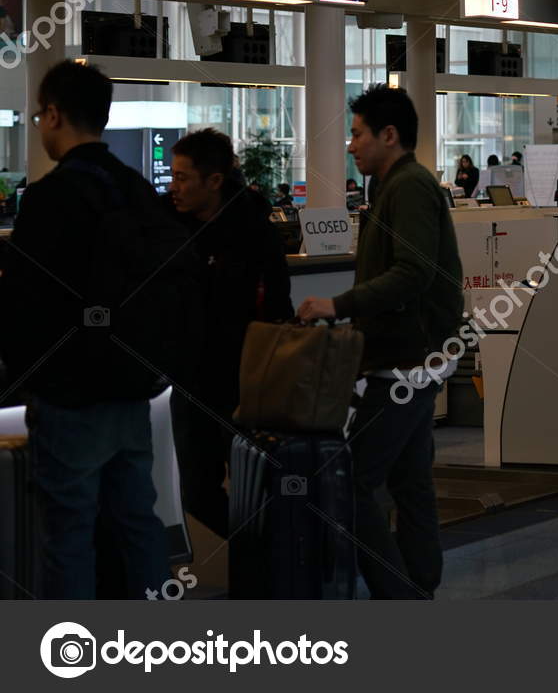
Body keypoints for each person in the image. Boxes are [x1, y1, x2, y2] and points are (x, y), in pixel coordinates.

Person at [0, 61, 178, 599]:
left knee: (69, 538)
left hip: (72, 399)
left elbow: (24, 301)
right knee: (138, 526)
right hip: (133, 392)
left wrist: (31, 374)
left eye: (38, 116)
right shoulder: (137, 190)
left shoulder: (51, 197)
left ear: (54, 114)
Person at [295, 85, 462, 601]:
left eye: (357, 133)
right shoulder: (395, 186)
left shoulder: (408, 187)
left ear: (389, 136)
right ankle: (420, 581)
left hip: (406, 364)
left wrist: (337, 305)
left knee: (352, 483)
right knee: (411, 483)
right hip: (415, 357)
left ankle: (397, 593)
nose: (351, 145)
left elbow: (412, 272)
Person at [167, 128, 291, 540]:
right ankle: (257, 552)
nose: (174, 186)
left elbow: (277, 305)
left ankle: (271, 569)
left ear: (214, 180)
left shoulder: (253, 231)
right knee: (196, 491)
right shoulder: (170, 227)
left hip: (247, 382)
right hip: (190, 382)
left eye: (183, 177)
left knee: (255, 486)